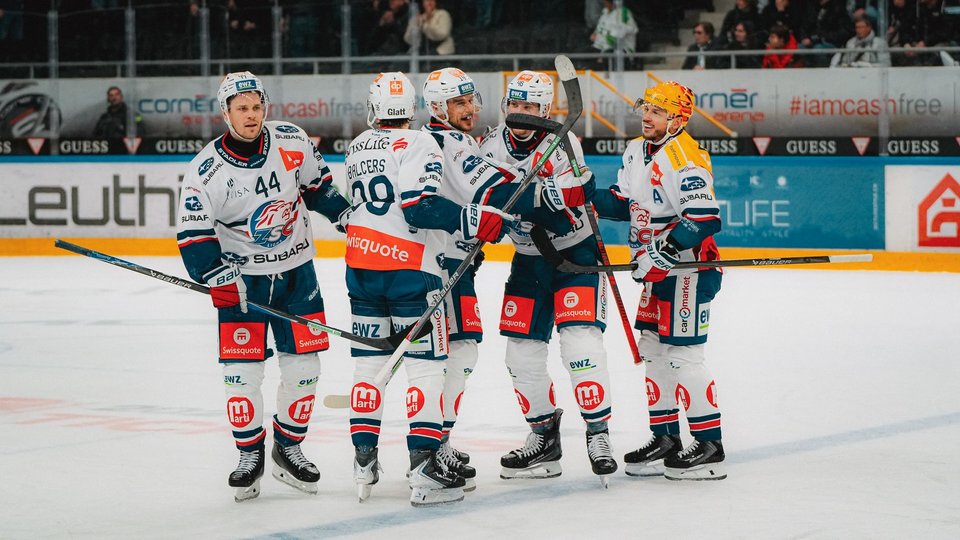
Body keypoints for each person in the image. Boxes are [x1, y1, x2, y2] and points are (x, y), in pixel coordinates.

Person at [176, 71, 351, 502]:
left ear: (265, 108)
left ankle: (288, 447)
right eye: (241, 109)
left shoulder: (292, 140)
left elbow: (320, 189)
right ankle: (249, 454)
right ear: (226, 113)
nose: (251, 115)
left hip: (297, 275)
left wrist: (350, 218)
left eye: (256, 107)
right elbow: (193, 233)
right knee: (241, 374)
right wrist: (214, 273)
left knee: (305, 369)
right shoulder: (207, 168)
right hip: (241, 285)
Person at [344, 71, 514, 507]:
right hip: (411, 271)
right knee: (426, 367)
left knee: (369, 368)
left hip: (360, 267)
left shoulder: (357, 145)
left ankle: (363, 463)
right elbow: (419, 206)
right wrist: (475, 220)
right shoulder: (420, 143)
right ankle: (425, 468)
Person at [478, 70, 618, 483]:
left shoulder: (565, 141)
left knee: (580, 344)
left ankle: (598, 433)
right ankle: (544, 437)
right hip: (527, 260)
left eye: (530, 107)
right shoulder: (488, 146)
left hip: (574, 255)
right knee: (519, 354)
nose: (520, 114)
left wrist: (530, 201)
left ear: (545, 110)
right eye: (515, 105)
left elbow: (572, 202)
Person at [591, 81, 726, 481]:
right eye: (646, 108)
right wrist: (584, 193)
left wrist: (662, 254)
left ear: (677, 119)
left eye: (658, 111)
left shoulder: (684, 156)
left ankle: (709, 444)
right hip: (655, 270)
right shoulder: (636, 149)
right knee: (652, 350)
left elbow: (704, 218)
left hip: (686, 267)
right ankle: (665, 437)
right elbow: (625, 201)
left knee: (684, 356)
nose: (647, 116)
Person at [419, 66, 525, 490]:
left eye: (470, 101)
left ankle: (437, 440)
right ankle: (431, 446)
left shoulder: (453, 140)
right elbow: (495, 191)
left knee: (459, 353)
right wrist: (547, 195)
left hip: (454, 264)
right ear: (438, 107)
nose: (469, 109)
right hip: (440, 268)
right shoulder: (445, 142)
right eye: (459, 103)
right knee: (450, 355)